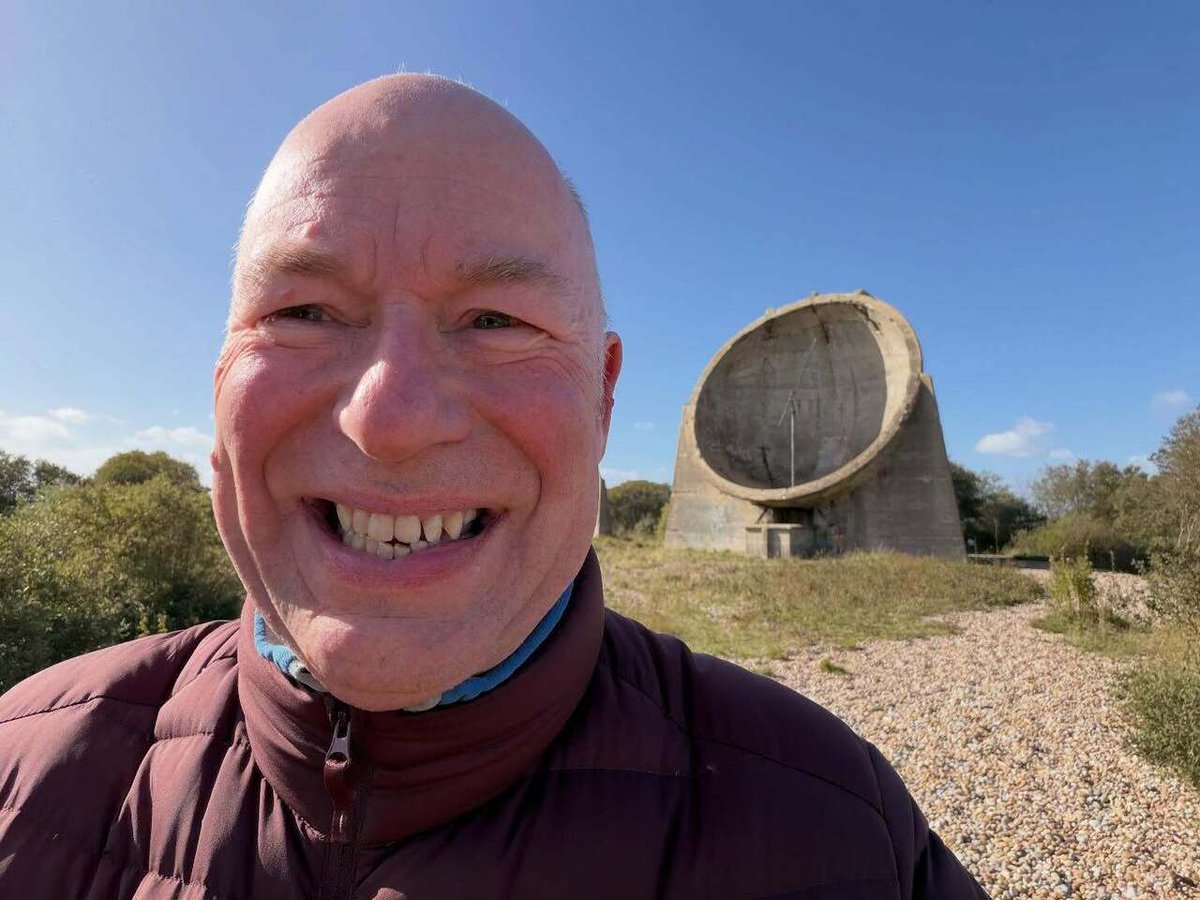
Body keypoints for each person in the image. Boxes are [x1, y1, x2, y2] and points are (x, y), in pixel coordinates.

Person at [0, 74, 988, 898]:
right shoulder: (21, 773)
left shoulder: (842, 840)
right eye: (303, 311)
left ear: (604, 397)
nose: (388, 420)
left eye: (497, 322)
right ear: (219, 380)